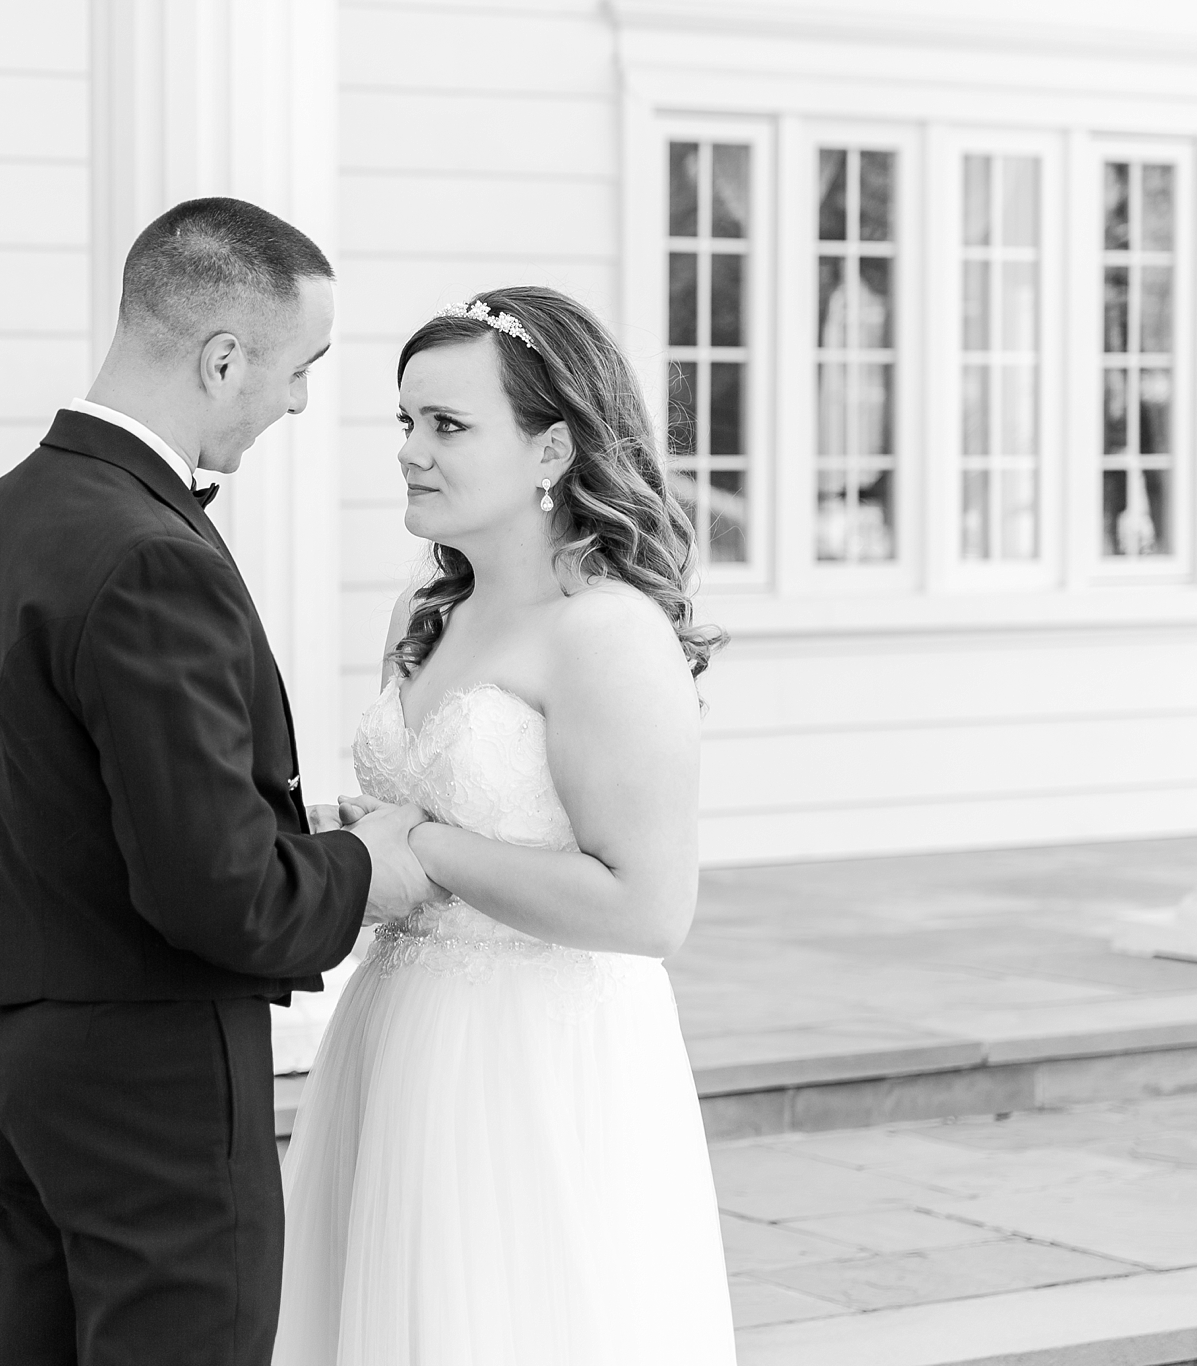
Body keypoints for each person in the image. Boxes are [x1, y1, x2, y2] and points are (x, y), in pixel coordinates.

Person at [0, 197, 432, 1366]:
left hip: (20, 1054)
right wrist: (368, 864)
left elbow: (61, 789)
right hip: (147, 1080)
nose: (298, 401)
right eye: (298, 370)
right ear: (221, 357)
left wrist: (271, 821)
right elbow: (216, 895)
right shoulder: (151, 554)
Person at [276, 287, 738, 1363]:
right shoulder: (421, 615)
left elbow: (647, 907)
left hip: (532, 1061)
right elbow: (414, 811)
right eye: (403, 422)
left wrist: (426, 848)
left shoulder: (605, 634)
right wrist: (352, 838)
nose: (408, 451)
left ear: (549, 451)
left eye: (446, 425)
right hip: (393, 1030)